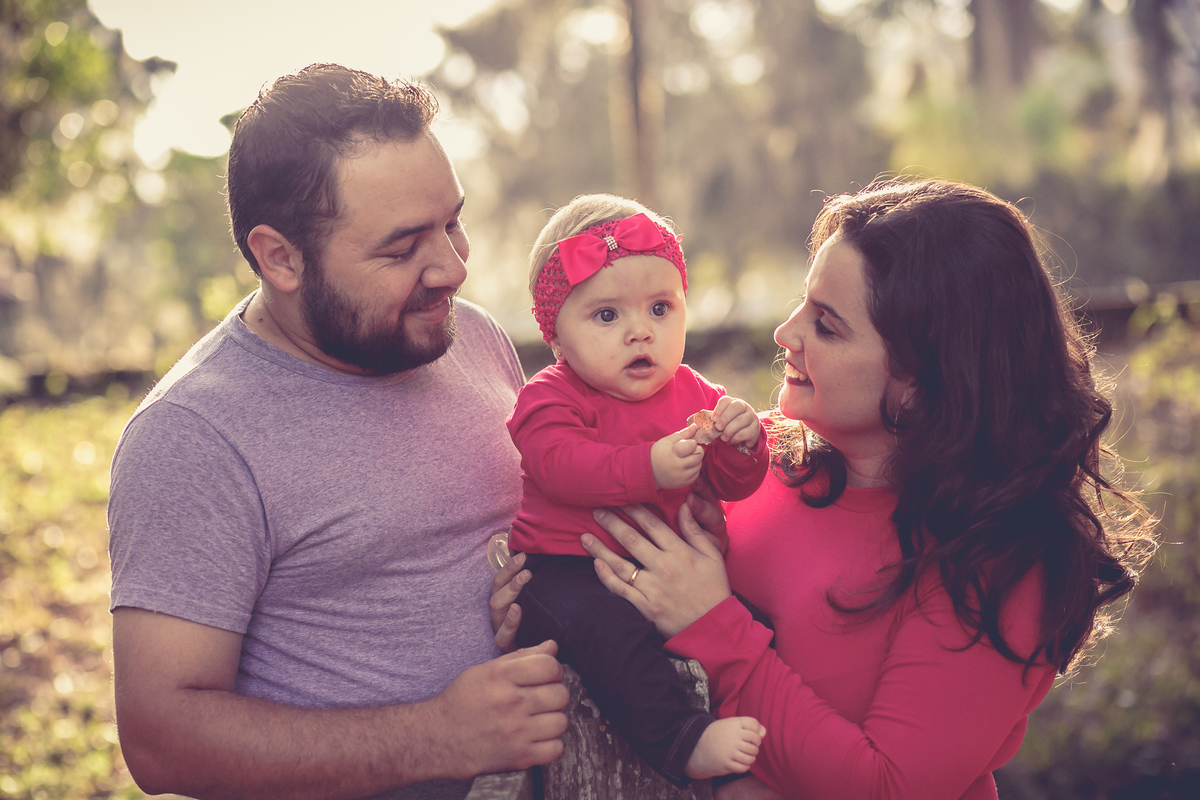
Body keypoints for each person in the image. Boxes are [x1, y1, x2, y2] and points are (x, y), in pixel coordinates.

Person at [572, 178, 1157, 799]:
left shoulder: (999, 562)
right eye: (803, 303)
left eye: (826, 325)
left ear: (924, 380)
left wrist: (714, 625)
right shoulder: (751, 461)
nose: (786, 333)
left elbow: (889, 785)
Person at [106, 63, 567, 800]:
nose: (452, 269)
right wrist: (438, 736)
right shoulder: (194, 437)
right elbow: (161, 740)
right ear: (280, 257)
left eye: (452, 223)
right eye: (402, 247)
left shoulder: (470, 337)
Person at [506, 194, 769, 785]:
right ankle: (680, 739)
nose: (640, 332)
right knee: (611, 637)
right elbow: (559, 465)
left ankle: (764, 742)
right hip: (566, 573)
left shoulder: (694, 393)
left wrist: (743, 446)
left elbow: (731, 484)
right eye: (607, 316)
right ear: (557, 339)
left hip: (662, 573)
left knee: (755, 621)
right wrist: (648, 467)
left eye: (660, 308)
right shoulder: (548, 397)